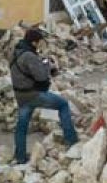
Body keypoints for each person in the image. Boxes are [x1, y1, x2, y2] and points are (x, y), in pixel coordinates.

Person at [9, 29, 78, 164]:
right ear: (34, 42)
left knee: (22, 125)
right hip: (33, 94)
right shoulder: (29, 55)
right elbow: (41, 76)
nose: (41, 44)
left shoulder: (15, 52)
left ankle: (20, 156)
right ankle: (71, 140)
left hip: (20, 95)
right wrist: (46, 62)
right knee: (63, 104)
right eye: (40, 42)